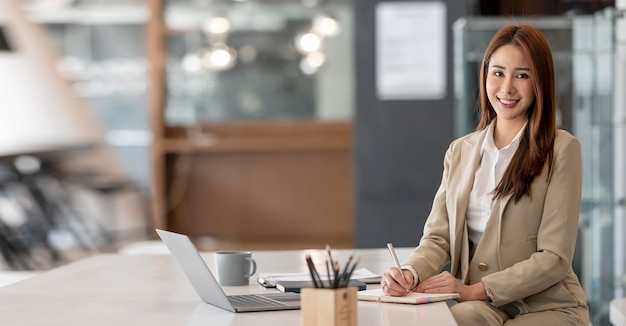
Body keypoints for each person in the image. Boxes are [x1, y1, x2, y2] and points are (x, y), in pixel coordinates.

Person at [380, 23, 589, 325]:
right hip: (478, 303)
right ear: (485, 75)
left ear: (540, 82)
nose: (507, 88)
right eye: (498, 73)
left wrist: (473, 290)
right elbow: (438, 238)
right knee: (459, 319)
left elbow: (554, 258)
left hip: (546, 306)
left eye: (522, 75)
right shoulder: (460, 151)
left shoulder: (562, 149)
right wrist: (409, 273)